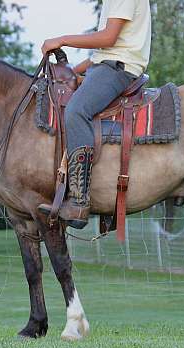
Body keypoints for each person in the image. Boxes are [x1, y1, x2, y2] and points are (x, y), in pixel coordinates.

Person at [38, 0, 152, 229]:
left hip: (118, 69)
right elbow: (106, 50)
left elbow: (108, 38)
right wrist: (71, 72)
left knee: (76, 112)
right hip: (105, 65)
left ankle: (79, 201)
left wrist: (62, 40)